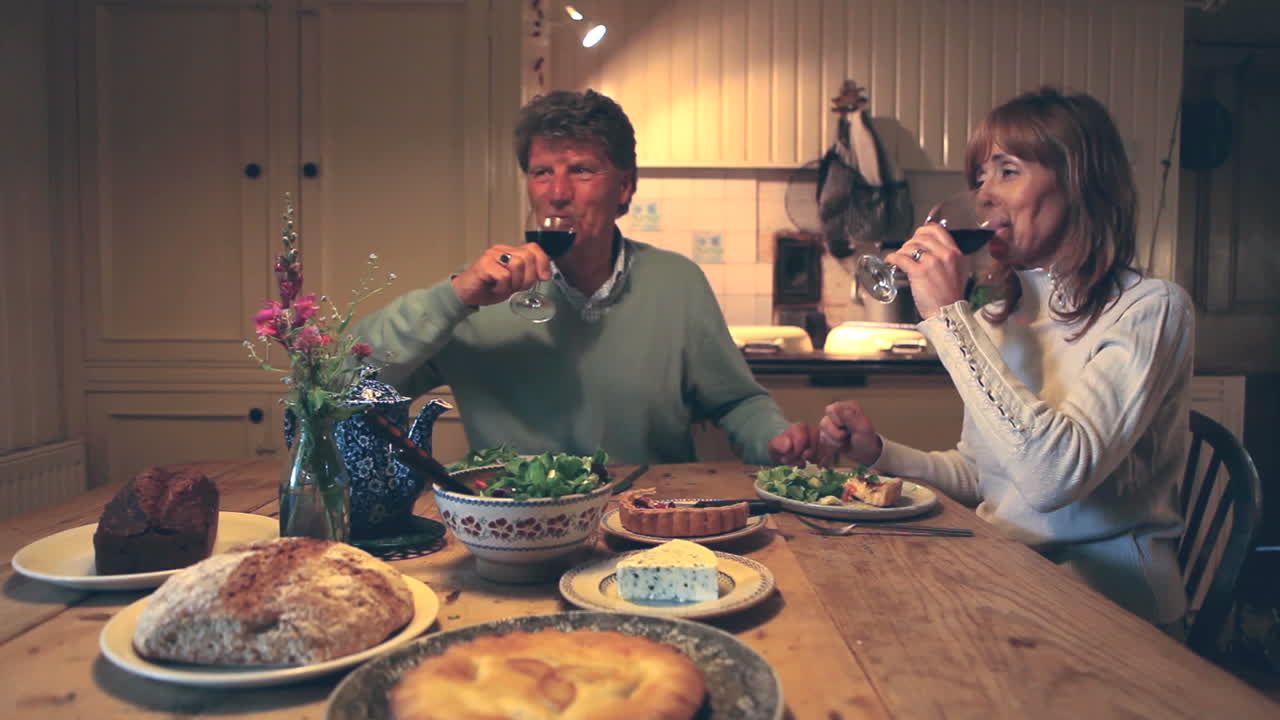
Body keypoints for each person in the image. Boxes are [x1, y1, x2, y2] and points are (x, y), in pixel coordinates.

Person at [819, 88, 1193, 630]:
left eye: (1007, 172)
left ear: (1080, 183)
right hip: (1008, 582)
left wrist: (950, 320)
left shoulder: (1148, 310)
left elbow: (1052, 479)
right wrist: (879, 453)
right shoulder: (998, 317)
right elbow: (985, 477)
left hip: (1114, 616)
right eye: (980, 179)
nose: (983, 198)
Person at [355, 89, 816, 466]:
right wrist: (452, 296)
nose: (558, 193)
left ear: (626, 186)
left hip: (644, 524)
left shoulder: (677, 282)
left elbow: (736, 401)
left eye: (581, 170)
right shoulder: (481, 296)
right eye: (541, 173)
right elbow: (346, 383)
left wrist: (774, 439)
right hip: (510, 526)